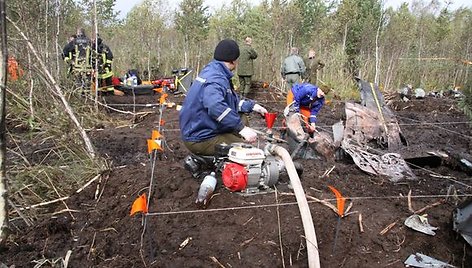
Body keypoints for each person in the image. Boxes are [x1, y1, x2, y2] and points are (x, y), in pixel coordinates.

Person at [179, 39, 268, 156]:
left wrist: (253, 106)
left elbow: (229, 101)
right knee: (248, 153)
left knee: (241, 116)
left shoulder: (213, 71)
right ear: (233, 60)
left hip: (201, 128)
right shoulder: (216, 79)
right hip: (200, 137)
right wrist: (242, 129)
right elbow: (215, 106)